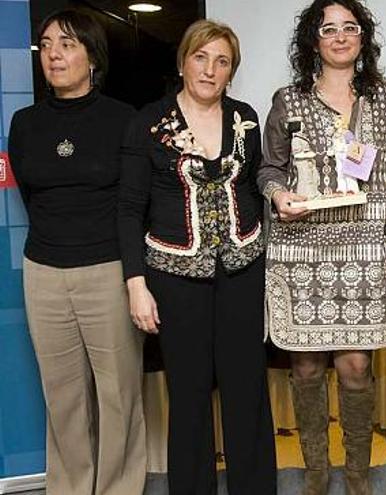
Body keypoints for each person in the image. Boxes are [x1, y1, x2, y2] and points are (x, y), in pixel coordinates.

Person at [118, 19, 276, 495]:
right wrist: (136, 284)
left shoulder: (244, 118)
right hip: (174, 278)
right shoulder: (148, 122)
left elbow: (254, 188)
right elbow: (128, 209)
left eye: (222, 61)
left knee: (246, 389)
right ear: (183, 62)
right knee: (187, 396)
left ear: (232, 72)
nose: (210, 70)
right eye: (201, 57)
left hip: (242, 272)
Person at [257, 1, 386, 493]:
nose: (340, 37)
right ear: (313, 40)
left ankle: (358, 476)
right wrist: (278, 194)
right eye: (329, 29)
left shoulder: (384, 97)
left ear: (363, 38)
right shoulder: (288, 99)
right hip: (302, 249)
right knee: (305, 364)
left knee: (356, 365)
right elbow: (269, 168)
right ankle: (318, 475)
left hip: (365, 246)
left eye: (350, 28)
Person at [7, 9, 146, 495]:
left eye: (66, 44)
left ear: (92, 56)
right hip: (43, 271)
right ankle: (69, 487)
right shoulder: (24, 124)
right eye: (46, 45)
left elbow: (133, 204)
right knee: (63, 396)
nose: (53, 55)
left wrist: (133, 278)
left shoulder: (123, 119)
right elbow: (32, 195)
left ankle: (118, 488)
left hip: (107, 270)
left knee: (118, 393)